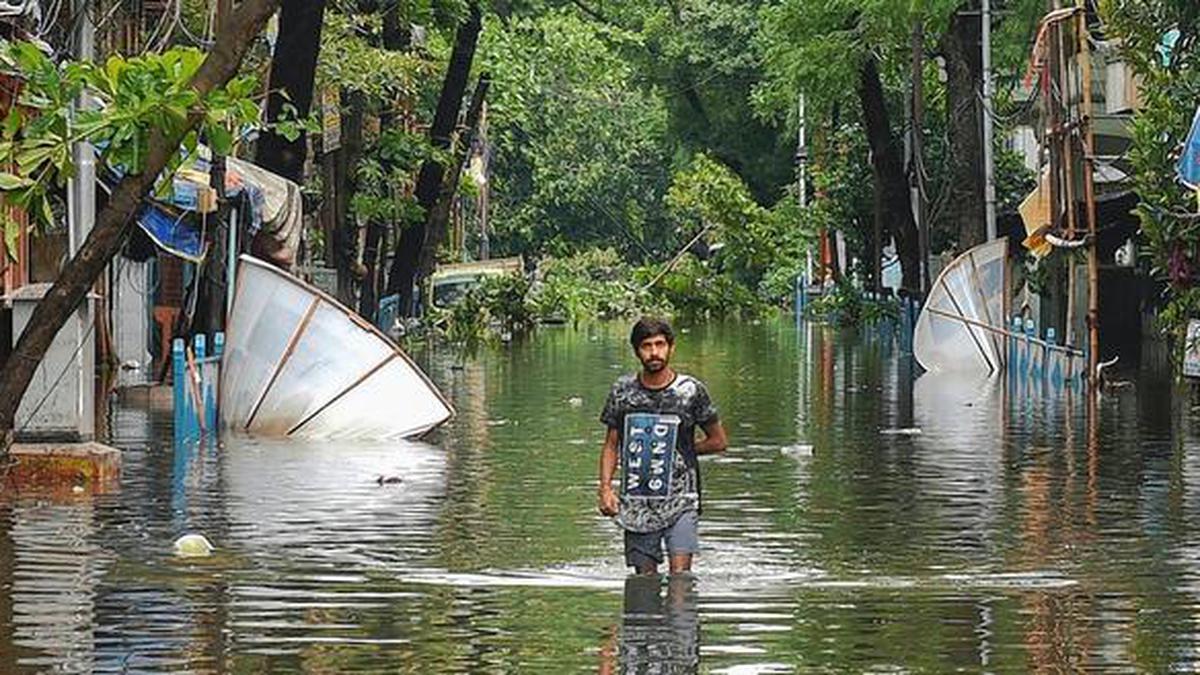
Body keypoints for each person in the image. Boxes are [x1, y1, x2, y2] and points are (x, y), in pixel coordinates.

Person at [597, 317, 728, 575]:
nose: (654, 352)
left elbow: (718, 441)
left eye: (660, 344)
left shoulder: (690, 391)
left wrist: (674, 450)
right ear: (636, 350)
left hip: (681, 499)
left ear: (671, 347)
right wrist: (605, 488)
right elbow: (612, 444)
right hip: (637, 501)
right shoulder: (622, 392)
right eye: (647, 346)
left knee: (681, 580)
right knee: (644, 582)